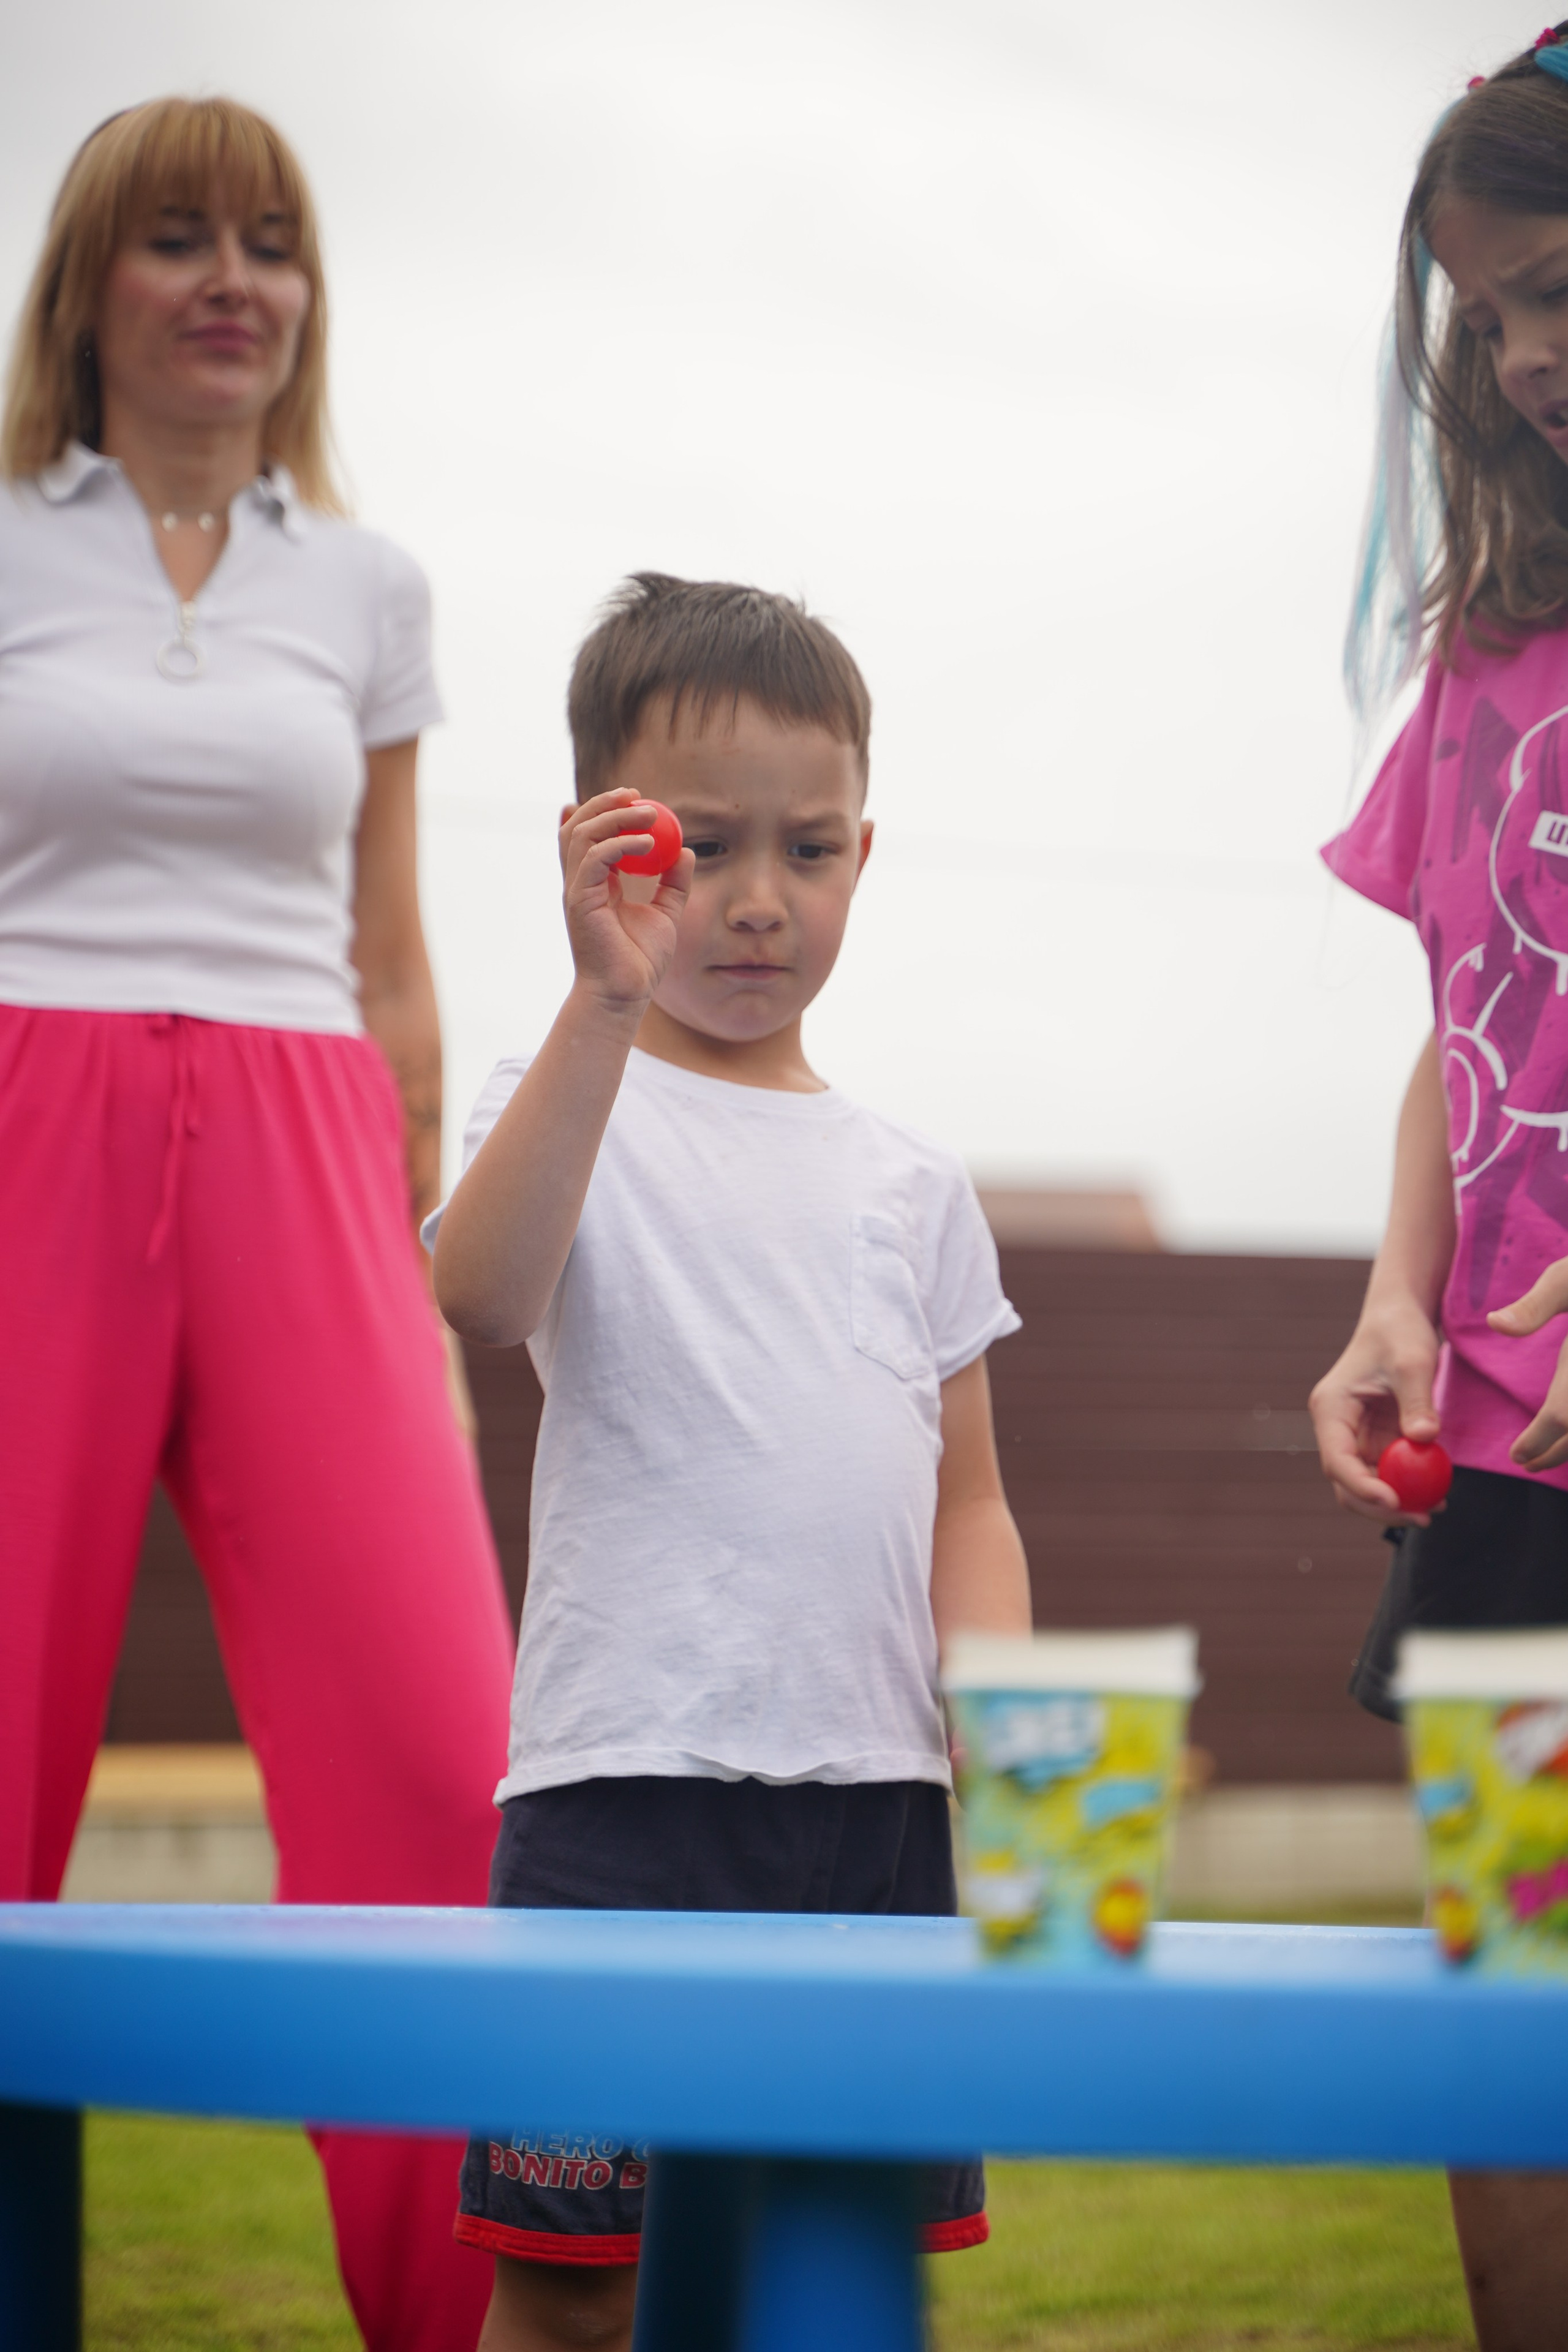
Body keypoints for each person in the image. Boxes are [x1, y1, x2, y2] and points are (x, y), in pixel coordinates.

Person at [0, 98, 514, 2352]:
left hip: (309, 1137)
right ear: (87, 288)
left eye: (271, 243)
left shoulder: (366, 583)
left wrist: (406, 1206)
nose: (234, 281)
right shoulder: (9, 538)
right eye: (179, 240)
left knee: (432, 1741)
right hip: (28, 1101)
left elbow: (394, 956)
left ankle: (466, 2312)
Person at [430, 573, 1033, 2351]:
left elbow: (971, 1498)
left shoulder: (914, 1183)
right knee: (571, 2296)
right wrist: (598, 1004)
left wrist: (992, 1721)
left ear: (865, 850)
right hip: (623, 1793)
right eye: (698, 845)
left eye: (812, 847)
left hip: (876, 1815)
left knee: (829, 2278)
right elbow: (475, 1294)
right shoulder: (565, 1094)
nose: (758, 900)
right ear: (602, 847)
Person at [1308, 28, 1568, 2351]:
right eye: (1490, 316)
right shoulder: (1485, 653)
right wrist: (1404, 1292)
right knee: (1516, 2041)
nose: (1522, 356)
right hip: (1505, 1478)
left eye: (1559, 287)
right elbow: (1466, 1022)